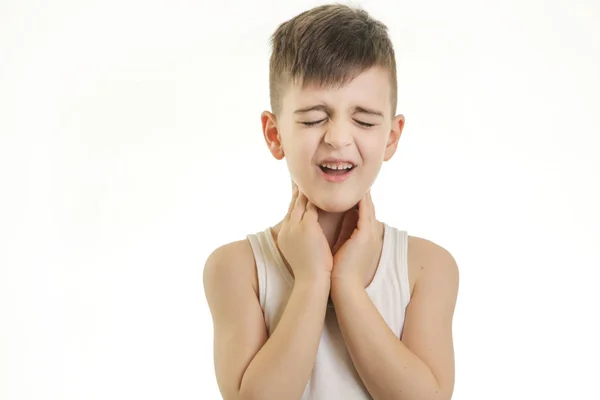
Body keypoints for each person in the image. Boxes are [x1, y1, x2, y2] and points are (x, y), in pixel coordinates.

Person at [203, 3, 459, 399]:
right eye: (313, 118)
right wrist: (310, 280)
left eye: (365, 120)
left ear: (391, 136)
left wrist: (347, 285)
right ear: (275, 135)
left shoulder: (427, 268)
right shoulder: (237, 268)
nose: (338, 138)